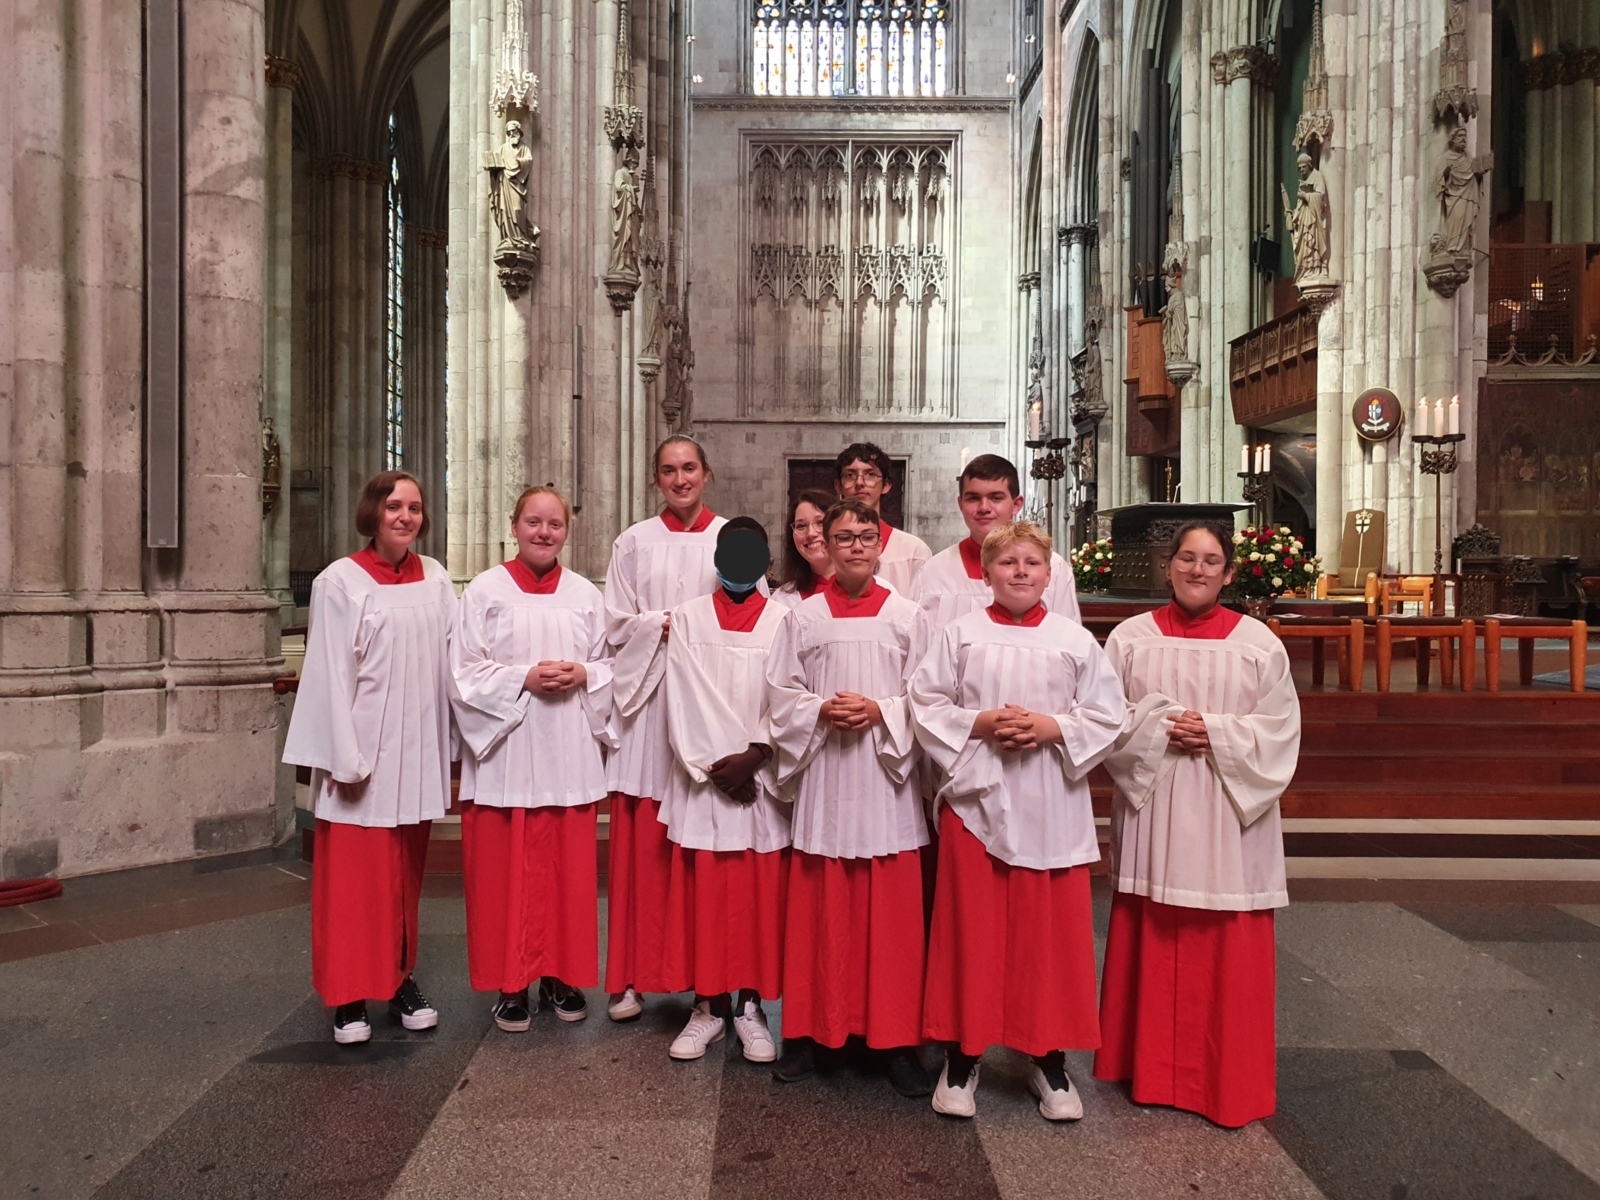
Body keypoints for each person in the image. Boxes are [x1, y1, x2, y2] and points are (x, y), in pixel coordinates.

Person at [910, 521, 1125, 1120]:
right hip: (976, 804)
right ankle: (963, 1054)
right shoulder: (960, 633)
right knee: (970, 929)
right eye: (1008, 564)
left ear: (1050, 575)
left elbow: (1109, 715)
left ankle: (1048, 1058)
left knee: (1046, 936)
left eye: (1032, 563)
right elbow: (924, 704)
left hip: (1050, 800)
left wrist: (1050, 727)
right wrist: (981, 723)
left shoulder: (1074, 639)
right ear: (986, 572)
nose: (1021, 573)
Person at [1094, 520, 1302, 1128]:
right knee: (1153, 927)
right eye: (1186, 558)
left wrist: (1215, 731)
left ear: (1230, 573)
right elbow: (1104, 718)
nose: (1197, 570)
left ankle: (1224, 1077)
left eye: (1211, 561)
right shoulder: (1130, 638)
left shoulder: (1259, 642)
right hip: (1156, 803)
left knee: (1225, 937)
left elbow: (1281, 730)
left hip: (1227, 811)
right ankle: (1149, 1071)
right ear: (1168, 566)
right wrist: (1162, 726)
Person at [765, 499, 931, 1098]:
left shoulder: (911, 617)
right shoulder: (802, 617)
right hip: (828, 782)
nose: (856, 546)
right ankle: (811, 1035)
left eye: (865, 536)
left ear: (879, 544)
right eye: (843, 537)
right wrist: (820, 709)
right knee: (821, 913)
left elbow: (931, 700)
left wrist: (882, 710)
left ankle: (895, 1042)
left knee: (891, 921)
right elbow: (780, 695)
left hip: (886, 784)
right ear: (826, 547)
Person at [283, 471, 456, 1044]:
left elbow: (452, 663)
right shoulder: (340, 581)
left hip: (418, 750)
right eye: (394, 507)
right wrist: (345, 758)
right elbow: (329, 675)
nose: (405, 517)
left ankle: (399, 977)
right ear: (373, 513)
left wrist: (453, 746)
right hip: (362, 754)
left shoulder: (435, 578)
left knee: (403, 876)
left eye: (414, 507)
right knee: (354, 880)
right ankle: (349, 995)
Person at [451, 487, 613, 1032]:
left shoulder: (586, 594)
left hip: (567, 749)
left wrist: (585, 674)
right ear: (514, 525)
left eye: (555, 525)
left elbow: (611, 663)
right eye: (533, 523)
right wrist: (522, 677)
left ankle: (560, 976)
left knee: (564, 871)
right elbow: (462, 671)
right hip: (510, 753)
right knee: (507, 871)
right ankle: (511, 983)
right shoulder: (485, 590)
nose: (544, 533)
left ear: (567, 531)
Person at [656, 518, 791, 1064]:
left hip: (762, 779)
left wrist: (756, 755)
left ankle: (750, 1007)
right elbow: (683, 697)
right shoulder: (688, 617)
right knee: (707, 896)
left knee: (758, 896)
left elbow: (789, 696)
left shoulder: (786, 620)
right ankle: (707, 1007)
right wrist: (718, 768)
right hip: (709, 780)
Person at [604, 436, 728, 1022]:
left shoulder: (731, 539)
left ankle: (708, 980)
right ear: (657, 479)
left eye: (689, 469)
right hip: (648, 705)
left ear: (707, 474)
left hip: (705, 706)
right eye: (669, 471)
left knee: (699, 842)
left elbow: (742, 622)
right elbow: (615, 626)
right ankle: (630, 977)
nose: (680, 480)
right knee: (640, 844)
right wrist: (666, 624)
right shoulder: (634, 541)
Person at [910, 454, 1081, 640]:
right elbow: (916, 646)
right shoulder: (935, 571)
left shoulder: (1052, 567)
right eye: (973, 498)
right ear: (961, 504)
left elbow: (1069, 641)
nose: (984, 507)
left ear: (1016, 505)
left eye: (996, 498)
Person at [834, 442, 930, 594]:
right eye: (850, 475)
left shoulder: (913, 551)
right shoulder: (829, 547)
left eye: (870, 474)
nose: (860, 483)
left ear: (886, 485)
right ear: (838, 486)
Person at [770, 489, 839, 610]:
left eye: (820, 522)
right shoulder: (782, 600)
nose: (811, 534)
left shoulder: (872, 590)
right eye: (801, 526)